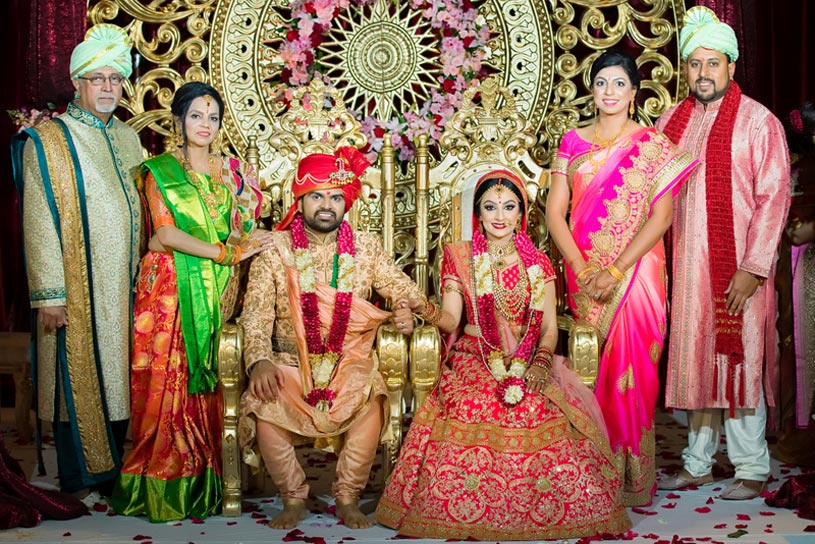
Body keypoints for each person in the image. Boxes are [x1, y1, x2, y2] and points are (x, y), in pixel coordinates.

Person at [375, 171, 631, 540]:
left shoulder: (539, 262)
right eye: (490, 206)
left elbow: (546, 329)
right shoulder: (459, 256)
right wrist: (421, 307)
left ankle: (538, 510)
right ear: (477, 213)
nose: (500, 215)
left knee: (539, 406)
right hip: (474, 353)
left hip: (529, 356)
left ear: (520, 214)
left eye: (509, 207)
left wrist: (542, 363)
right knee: (469, 405)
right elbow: (450, 321)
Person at [239, 146, 424, 530]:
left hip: (349, 362)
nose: (327, 205)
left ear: (347, 202)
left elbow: (405, 288)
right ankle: (293, 497)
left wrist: (407, 306)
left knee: (372, 403)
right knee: (263, 402)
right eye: (317, 196)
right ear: (300, 200)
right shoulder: (276, 250)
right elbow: (255, 316)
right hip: (290, 362)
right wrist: (258, 360)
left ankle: (347, 497)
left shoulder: (366, 247)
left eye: (336, 197)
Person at [111, 82, 271, 522]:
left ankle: (211, 476)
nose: (205, 125)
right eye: (196, 116)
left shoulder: (235, 173)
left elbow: (244, 230)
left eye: (213, 117)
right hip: (168, 289)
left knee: (212, 379)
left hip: (217, 288)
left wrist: (256, 244)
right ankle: (164, 479)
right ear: (178, 121)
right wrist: (223, 252)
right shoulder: (159, 170)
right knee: (167, 380)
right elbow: (164, 235)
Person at [545, 50, 698, 506]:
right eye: (601, 83)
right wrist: (581, 265)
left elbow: (662, 216)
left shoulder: (653, 145)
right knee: (590, 370)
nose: (609, 91)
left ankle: (631, 477)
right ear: (591, 90)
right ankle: (595, 471)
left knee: (634, 371)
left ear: (633, 93)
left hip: (636, 273)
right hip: (584, 272)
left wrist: (615, 268)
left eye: (619, 84)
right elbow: (555, 213)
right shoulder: (572, 142)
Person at [656, 6, 791, 500]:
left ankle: (751, 466)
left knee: (738, 362)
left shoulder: (759, 123)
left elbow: (774, 198)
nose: (703, 73)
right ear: (685, 69)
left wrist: (753, 269)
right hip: (687, 275)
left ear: (731, 66)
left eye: (713, 63)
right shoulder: (671, 120)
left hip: (737, 274)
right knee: (696, 365)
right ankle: (697, 463)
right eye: (694, 63)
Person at [10, 24, 143, 499]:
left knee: (120, 379)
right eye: (98, 78)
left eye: (115, 78)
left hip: (126, 285)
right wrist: (49, 293)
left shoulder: (129, 138)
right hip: (75, 286)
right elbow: (38, 220)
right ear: (77, 82)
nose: (108, 87)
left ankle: (111, 475)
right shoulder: (48, 140)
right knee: (77, 380)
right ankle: (80, 477)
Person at [774, 101, 815, 467]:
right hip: (793, 268)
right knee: (792, 343)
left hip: (809, 264)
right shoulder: (794, 170)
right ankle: (795, 432)